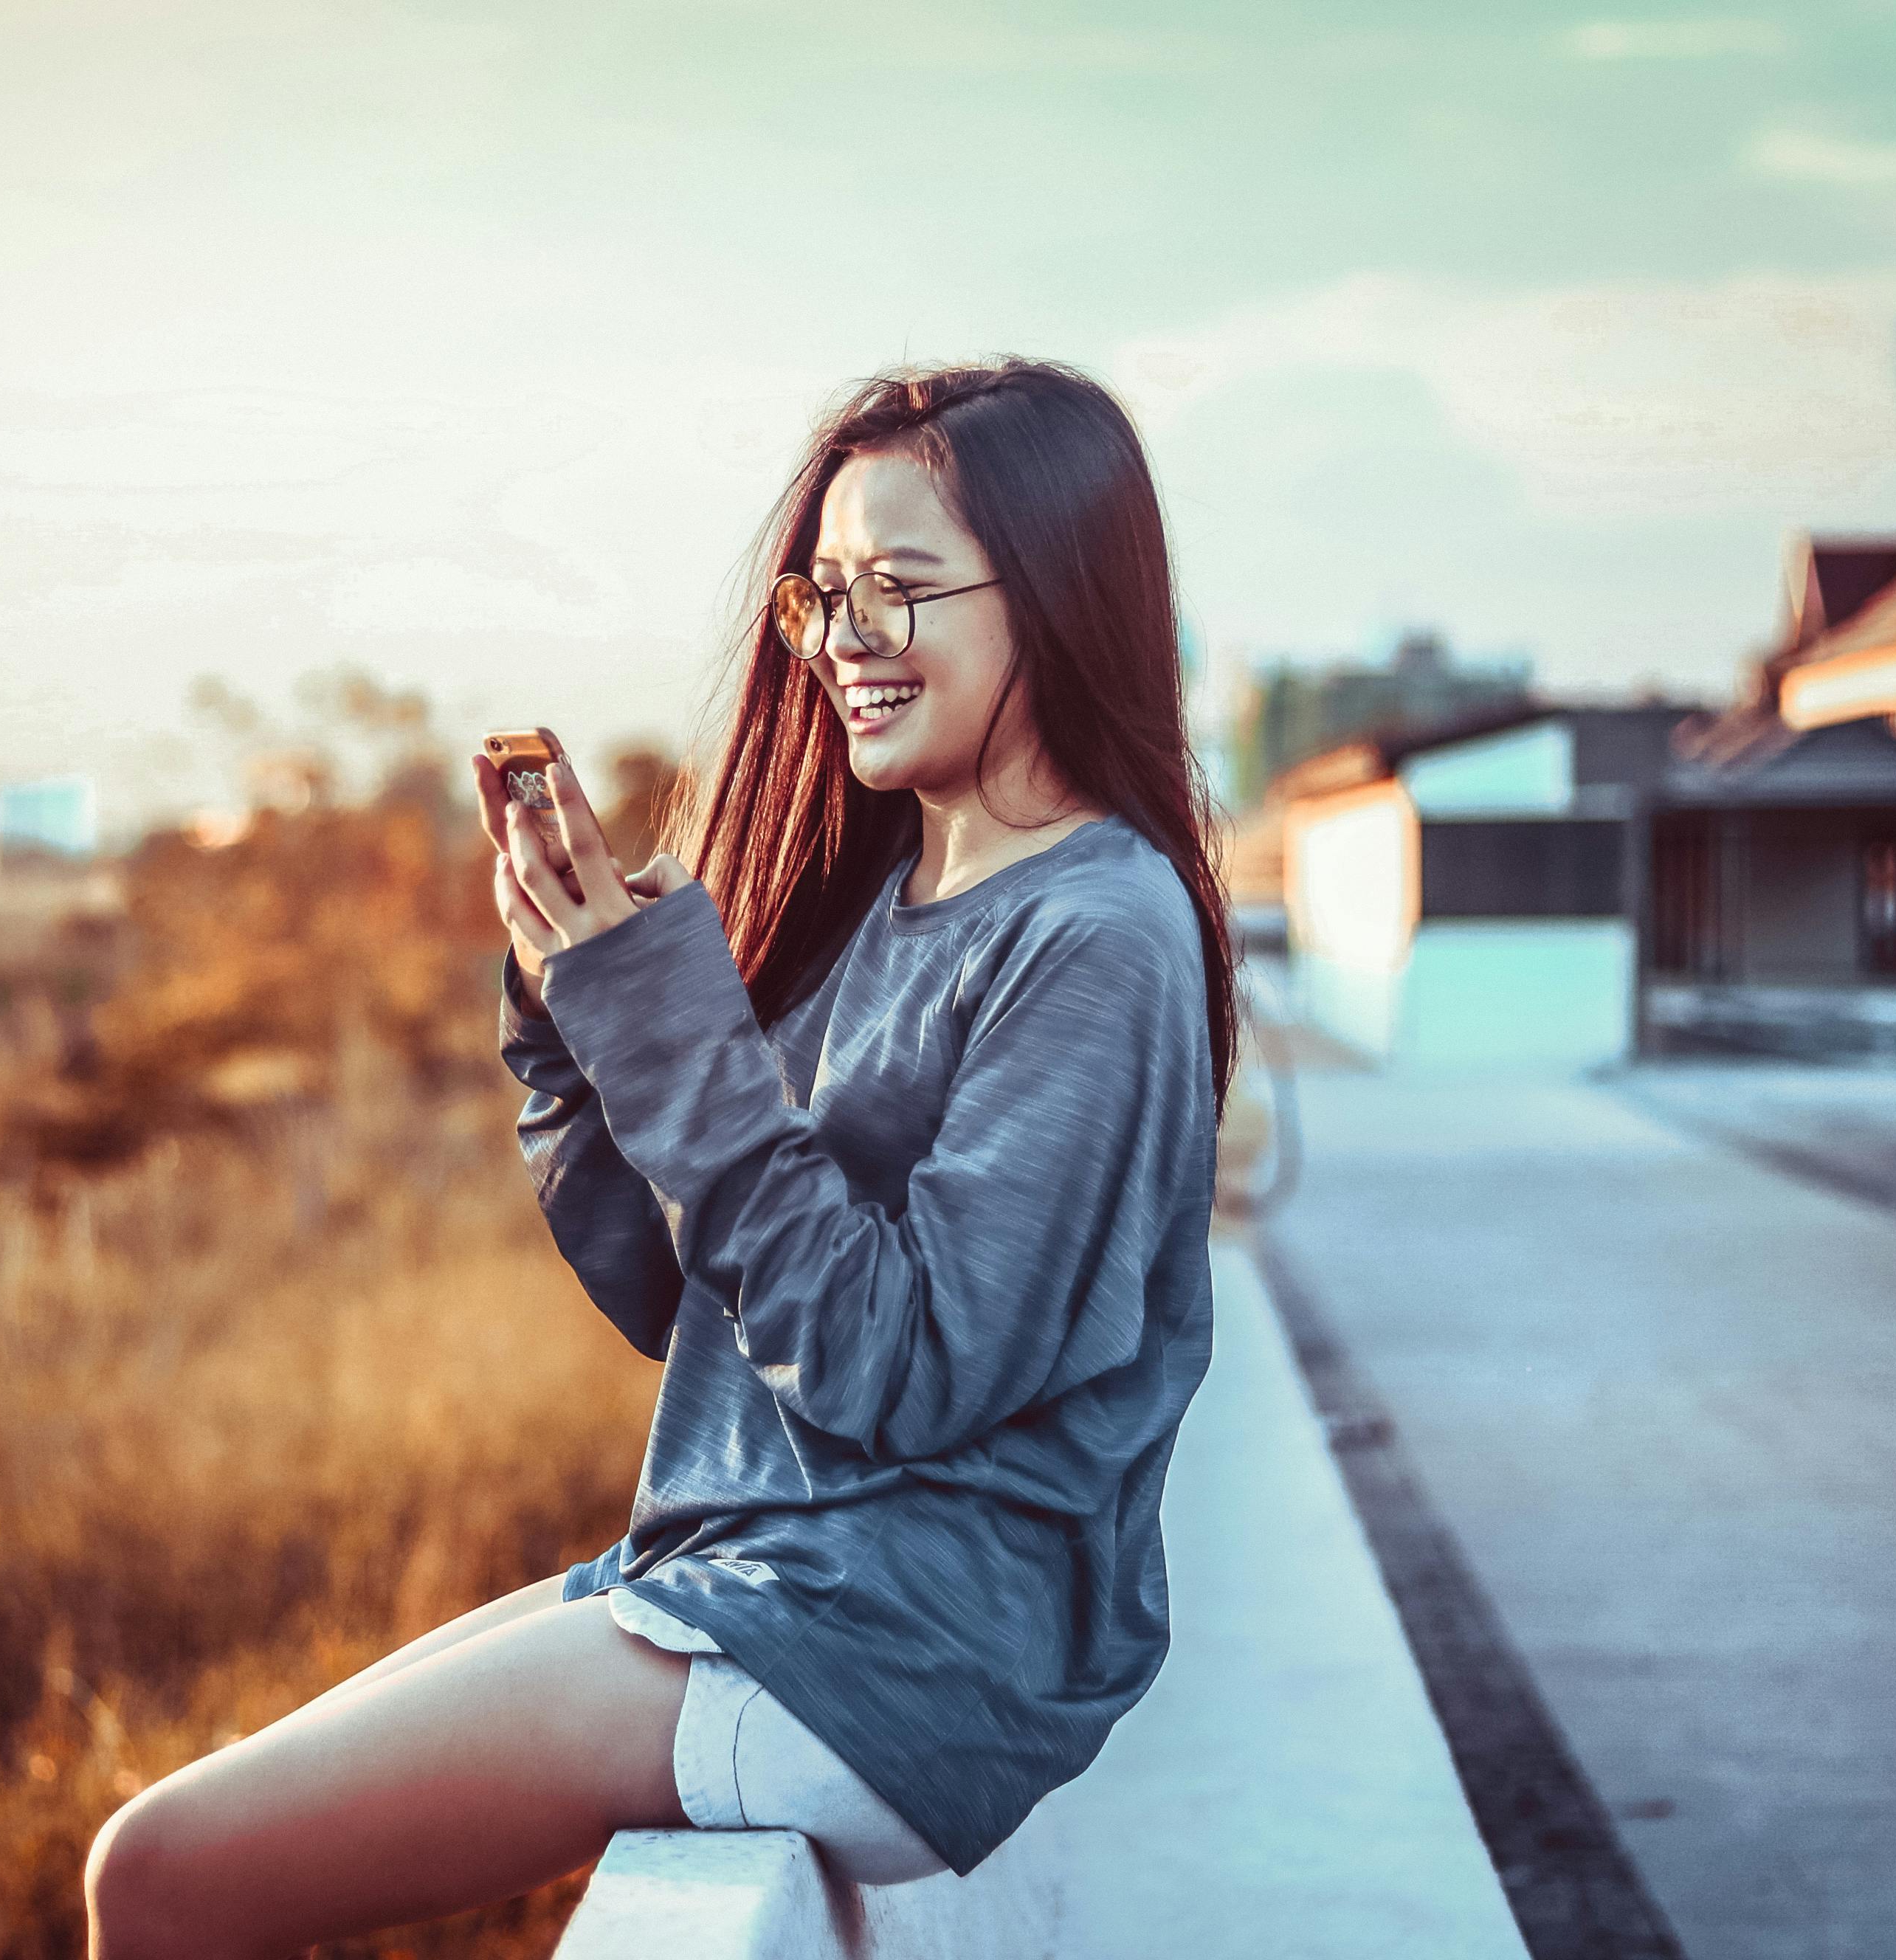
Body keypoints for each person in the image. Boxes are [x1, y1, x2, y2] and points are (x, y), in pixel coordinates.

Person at [83, 356, 1235, 1959]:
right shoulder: (890, 899)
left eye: (898, 593)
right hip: (766, 1566)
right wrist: (578, 1000)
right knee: (175, 1843)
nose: (845, 644)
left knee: (164, 1871)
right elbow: (676, 1296)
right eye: (823, 596)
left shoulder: (1097, 930)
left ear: (1055, 593)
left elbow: (894, 1367)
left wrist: (675, 1034)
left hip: (893, 1634)